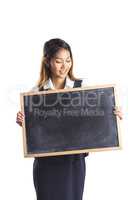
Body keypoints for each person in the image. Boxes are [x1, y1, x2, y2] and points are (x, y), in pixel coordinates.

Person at [16, 38, 123, 200]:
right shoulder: (36, 93)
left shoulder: (83, 89)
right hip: (46, 166)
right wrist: (24, 123)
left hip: (73, 164)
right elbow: (35, 132)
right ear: (47, 61)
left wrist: (113, 115)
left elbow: (96, 119)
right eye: (59, 61)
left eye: (68, 60)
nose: (64, 66)